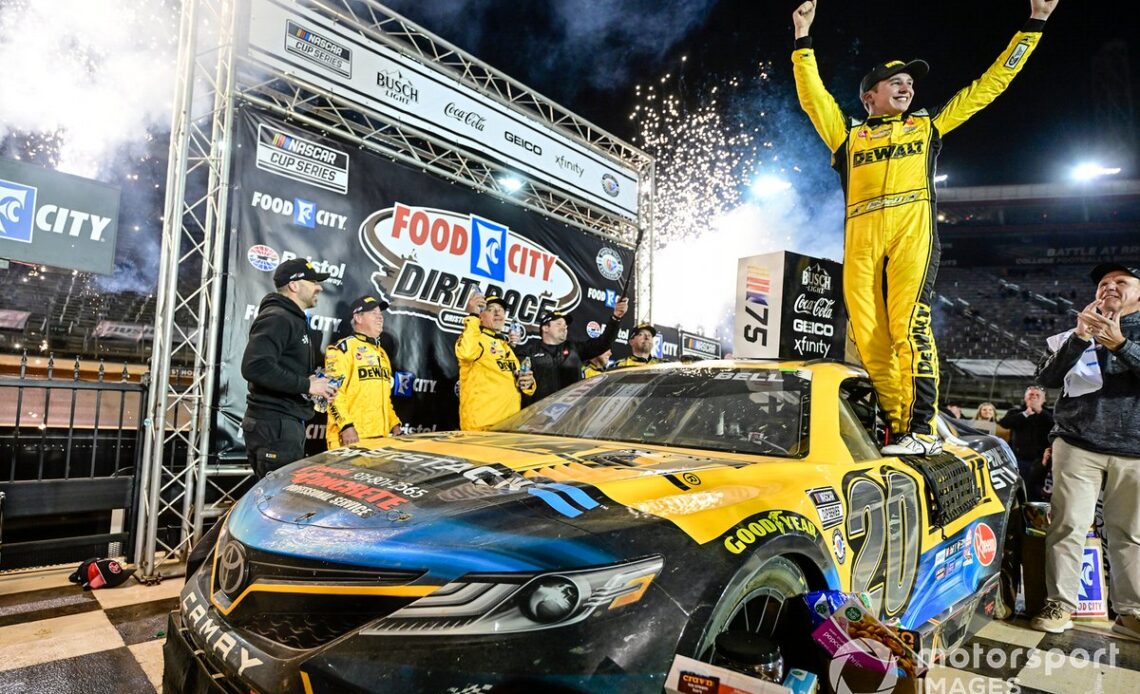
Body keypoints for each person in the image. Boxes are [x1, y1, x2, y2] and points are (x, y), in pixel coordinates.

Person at [791, 0, 1059, 455]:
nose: (907, 87)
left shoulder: (927, 126)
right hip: (860, 238)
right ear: (869, 96)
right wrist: (802, 38)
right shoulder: (848, 134)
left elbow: (989, 86)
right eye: (895, 81)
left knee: (907, 328)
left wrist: (1035, 22)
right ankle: (897, 428)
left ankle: (922, 427)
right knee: (867, 336)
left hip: (912, 231)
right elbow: (812, 95)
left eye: (911, 82)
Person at [1029, 263, 1140, 638]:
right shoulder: (1073, 334)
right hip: (1077, 444)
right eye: (1104, 283)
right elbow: (1044, 379)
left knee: (1129, 534)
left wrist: (1120, 345)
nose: (1109, 286)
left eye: (1121, 282)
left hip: (1135, 449)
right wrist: (1080, 337)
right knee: (1067, 526)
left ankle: (1130, 613)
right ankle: (1060, 603)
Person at [241, 258, 337, 478]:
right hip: (275, 427)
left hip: (283, 425)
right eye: (313, 281)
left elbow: (280, 367)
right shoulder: (278, 317)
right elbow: (255, 366)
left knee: (283, 500)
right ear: (294, 285)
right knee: (278, 503)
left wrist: (313, 385)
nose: (319, 287)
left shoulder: (292, 319)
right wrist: (306, 385)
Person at [324, 295, 401, 448]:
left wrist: (395, 424)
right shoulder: (342, 349)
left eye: (380, 313)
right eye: (373, 313)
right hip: (351, 437)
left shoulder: (382, 354)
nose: (380, 317)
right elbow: (332, 393)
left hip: (381, 439)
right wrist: (346, 426)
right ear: (358, 318)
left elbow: (384, 399)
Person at [517, 298, 628, 403]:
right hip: (538, 417)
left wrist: (616, 318)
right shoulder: (528, 353)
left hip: (569, 416)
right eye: (559, 324)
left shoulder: (574, 349)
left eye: (565, 325)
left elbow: (603, 343)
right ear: (545, 328)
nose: (564, 327)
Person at [455, 292, 536, 431]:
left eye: (501, 310)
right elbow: (466, 353)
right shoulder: (476, 339)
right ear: (480, 316)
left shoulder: (505, 346)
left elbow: (522, 383)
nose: (498, 313)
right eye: (491, 309)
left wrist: (529, 383)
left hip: (510, 426)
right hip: (482, 428)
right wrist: (472, 316)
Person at [999, 386, 1054, 501]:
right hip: (1019, 459)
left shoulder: (1050, 413)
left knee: (1037, 494)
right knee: (1018, 492)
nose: (1033, 397)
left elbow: (1055, 425)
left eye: (1037, 395)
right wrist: (1025, 413)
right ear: (1025, 398)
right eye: (1030, 395)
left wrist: (1039, 411)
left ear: (1044, 400)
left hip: (1042, 462)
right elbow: (1004, 423)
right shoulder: (1015, 412)